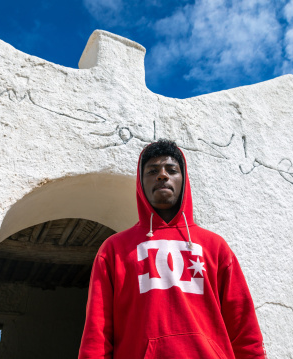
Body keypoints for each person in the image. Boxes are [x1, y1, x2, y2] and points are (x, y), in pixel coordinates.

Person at [78, 139, 267, 358]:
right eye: (152, 170)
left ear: (183, 180)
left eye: (171, 170)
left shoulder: (215, 247)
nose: (162, 175)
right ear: (140, 183)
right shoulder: (114, 250)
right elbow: (97, 332)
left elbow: (243, 327)